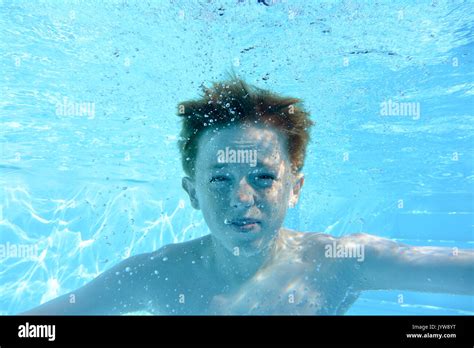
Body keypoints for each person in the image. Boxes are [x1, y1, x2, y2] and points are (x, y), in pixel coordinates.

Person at [21, 77, 473, 315]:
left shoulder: (338, 263)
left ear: (294, 188)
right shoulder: (154, 275)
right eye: (219, 179)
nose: (241, 198)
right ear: (192, 192)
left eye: (262, 176)